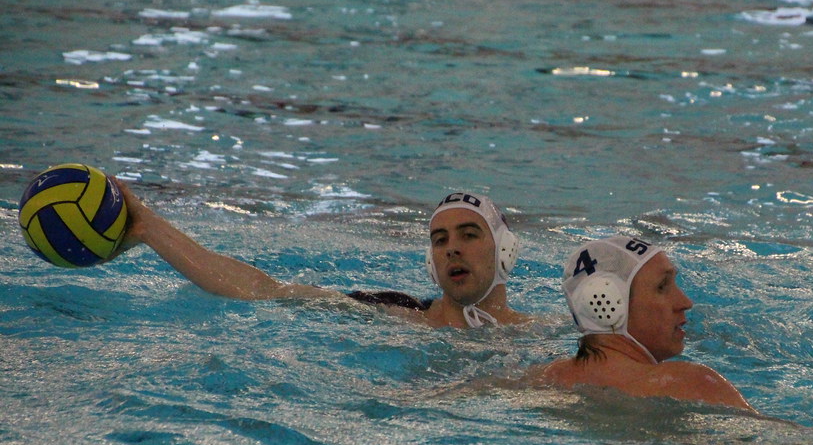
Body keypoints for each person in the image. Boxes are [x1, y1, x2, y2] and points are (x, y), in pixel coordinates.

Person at [113, 180, 530, 329]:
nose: (451, 247)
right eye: (439, 240)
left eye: (469, 234)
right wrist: (148, 227)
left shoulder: (548, 336)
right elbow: (261, 290)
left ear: (506, 251)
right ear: (430, 261)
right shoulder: (395, 317)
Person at [535, 235, 756, 412]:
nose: (685, 302)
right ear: (607, 303)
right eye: (662, 287)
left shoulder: (541, 381)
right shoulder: (689, 383)